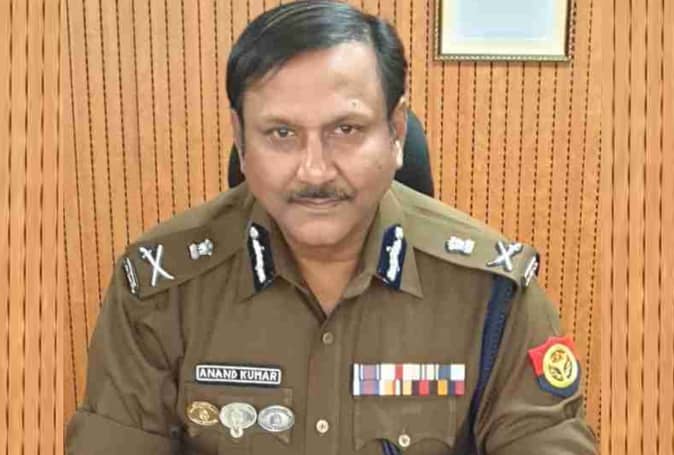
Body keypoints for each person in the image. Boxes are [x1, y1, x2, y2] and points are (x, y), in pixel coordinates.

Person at [65, 1, 597, 454]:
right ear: (241, 140)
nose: (315, 171)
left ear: (395, 132)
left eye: (346, 129)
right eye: (281, 133)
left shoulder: (491, 292)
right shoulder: (160, 289)